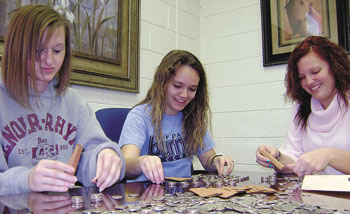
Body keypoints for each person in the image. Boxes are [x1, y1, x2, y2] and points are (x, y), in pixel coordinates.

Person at [0, 4, 125, 195]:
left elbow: (91, 158)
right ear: (17, 49)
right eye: (38, 50)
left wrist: (108, 157)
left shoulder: (74, 103)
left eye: (57, 51)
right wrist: (27, 179)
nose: (49, 60)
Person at [119, 50, 234, 184]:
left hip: (184, 195)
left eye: (192, 89)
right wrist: (141, 162)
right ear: (162, 83)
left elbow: (208, 160)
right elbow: (125, 165)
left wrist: (216, 160)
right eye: (177, 86)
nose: (184, 95)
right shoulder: (140, 116)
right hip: (146, 194)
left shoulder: (193, 117)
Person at [256, 36, 350, 176]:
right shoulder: (302, 108)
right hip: (317, 193)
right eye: (301, 77)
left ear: (335, 66)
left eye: (315, 71)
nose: (309, 81)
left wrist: (329, 155)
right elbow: (294, 159)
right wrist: (277, 157)